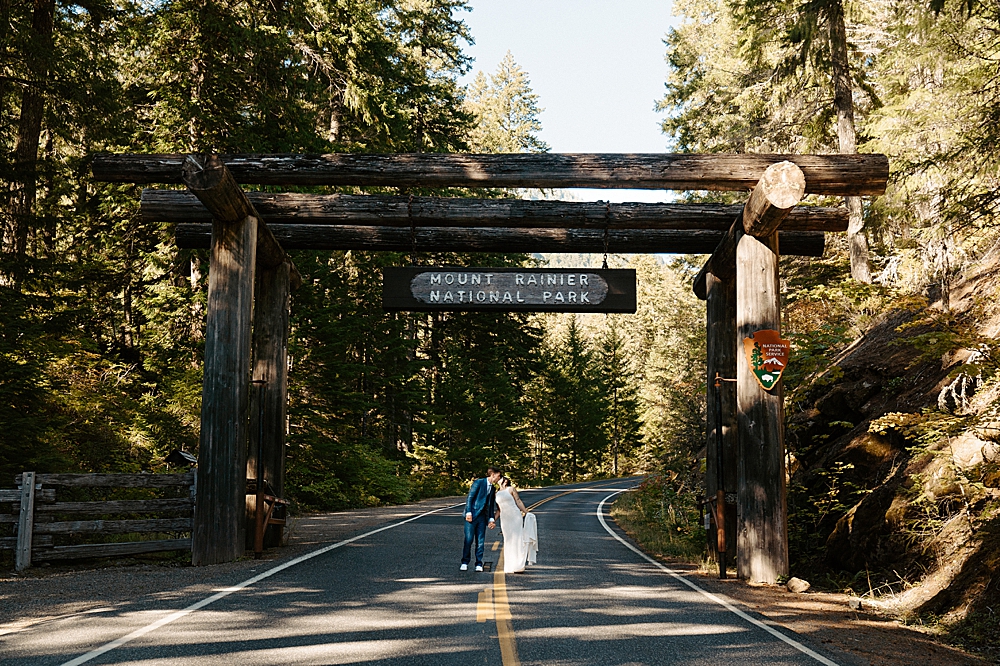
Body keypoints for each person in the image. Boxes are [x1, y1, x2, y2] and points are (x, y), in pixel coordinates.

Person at [461, 466, 502, 572]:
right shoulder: (478, 483)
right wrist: (468, 512)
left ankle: (478, 563)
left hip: (482, 518)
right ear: (493, 474)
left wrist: (491, 519)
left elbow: (491, 505)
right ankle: (465, 562)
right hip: (472, 516)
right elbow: (470, 497)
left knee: (480, 541)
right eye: (498, 476)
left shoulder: (493, 488)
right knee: (469, 540)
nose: (499, 478)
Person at [494, 475, 537, 573]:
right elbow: (499, 509)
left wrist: (526, 512)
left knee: (517, 539)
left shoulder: (511, 489)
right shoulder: (496, 494)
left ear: (505, 481)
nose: (498, 480)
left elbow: (518, 501)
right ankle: (510, 565)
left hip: (515, 516)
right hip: (505, 519)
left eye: (501, 478)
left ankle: (519, 565)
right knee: (508, 540)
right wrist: (493, 520)